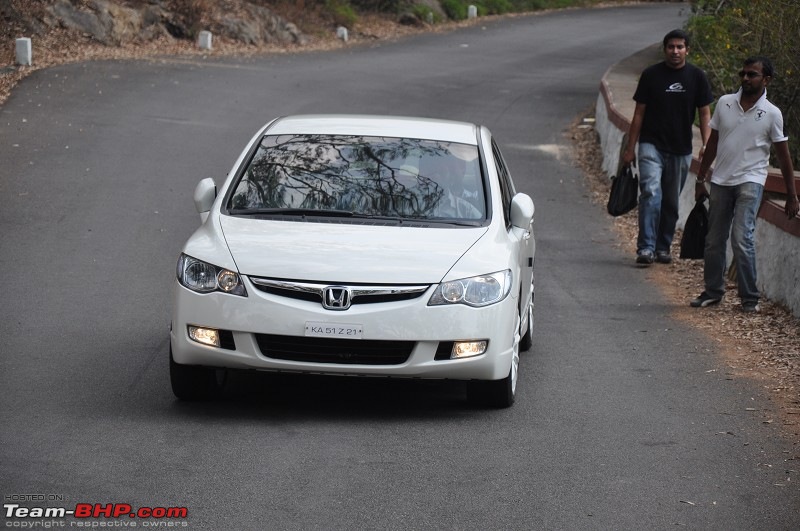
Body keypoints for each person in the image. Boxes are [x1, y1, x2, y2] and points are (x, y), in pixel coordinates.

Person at [691, 56, 799, 313]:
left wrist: (792, 195)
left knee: (742, 238)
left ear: (767, 80)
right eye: (744, 73)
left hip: (751, 180)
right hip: (721, 180)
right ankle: (713, 291)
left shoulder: (772, 114)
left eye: (752, 74)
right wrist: (700, 178)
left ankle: (749, 298)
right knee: (714, 239)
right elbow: (713, 143)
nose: (746, 78)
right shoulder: (725, 103)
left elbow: (783, 157)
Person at [622, 29, 714, 266]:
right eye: (671, 47)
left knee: (670, 201)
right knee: (651, 193)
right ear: (665, 49)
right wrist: (630, 148)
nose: (675, 51)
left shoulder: (697, 77)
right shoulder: (651, 75)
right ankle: (646, 247)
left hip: (681, 150)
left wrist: (707, 144)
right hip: (651, 145)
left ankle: (663, 247)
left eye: (680, 47)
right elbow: (639, 113)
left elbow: (705, 113)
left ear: (687, 50)